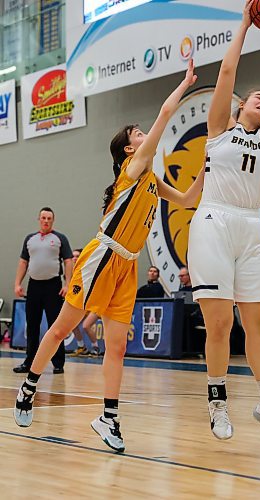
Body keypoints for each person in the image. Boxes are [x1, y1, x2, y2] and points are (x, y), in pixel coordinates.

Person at [14, 59, 205, 452]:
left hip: (128, 265)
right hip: (103, 256)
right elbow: (167, 112)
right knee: (61, 329)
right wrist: (185, 83)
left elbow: (187, 199)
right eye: (138, 133)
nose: (143, 134)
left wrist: (206, 165)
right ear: (129, 149)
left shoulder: (152, 180)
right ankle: (29, 387)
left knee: (117, 346)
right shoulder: (132, 170)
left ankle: (108, 418)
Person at [188, 0, 260, 441]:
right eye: (258, 96)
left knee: (258, 324)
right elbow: (228, 74)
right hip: (214, 221)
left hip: (251, 229)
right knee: (220, 324)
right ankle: (217, 404)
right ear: (239, 107)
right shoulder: (219, 130)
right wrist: (245, 26)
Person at [13, 207, 73, 375]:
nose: (46, 220)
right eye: (43, 218)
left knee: (56, 326)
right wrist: (17, 283)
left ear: (53, 220)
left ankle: (58, 363)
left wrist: (67, 284)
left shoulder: (60, 239)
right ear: (39, 219)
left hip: (53, 287)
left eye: (49, 218)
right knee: (32, 325)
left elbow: (68, 261)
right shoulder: (30, 239)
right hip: (34, 286)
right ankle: (29, 362)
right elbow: (23, 263)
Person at [69, 249, 101, 357]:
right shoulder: (71, 272)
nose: (74, 258)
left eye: (77, 256)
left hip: (96, 304)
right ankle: (81, 347)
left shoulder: (88, 269)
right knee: (72, 324)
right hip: (83, 304)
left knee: (86, 325)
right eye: (73, 256)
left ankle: (96, 348)